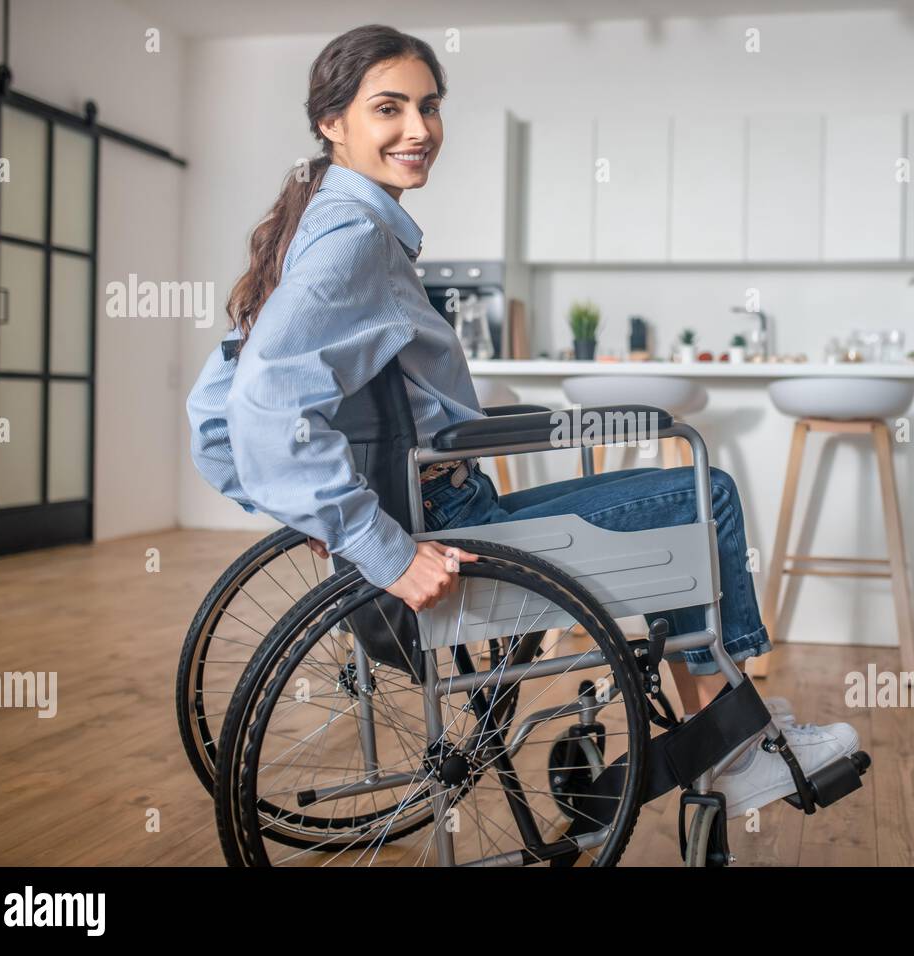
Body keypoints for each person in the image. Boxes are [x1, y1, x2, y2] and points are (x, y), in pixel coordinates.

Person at [185, 24, 858, 818]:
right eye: (389, 109)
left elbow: (213, 423)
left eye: (429, 108)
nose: (419, 130)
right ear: (332, 123)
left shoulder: (320, 223)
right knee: (703, 495)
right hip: (456, 528)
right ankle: (739, 750)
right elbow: (262, 408)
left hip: (431, 509)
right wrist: (375, 544)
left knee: (675, 498)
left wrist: (322, 516)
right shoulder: (355, 237)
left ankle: (729, 737)